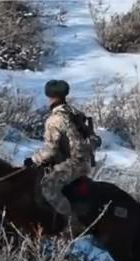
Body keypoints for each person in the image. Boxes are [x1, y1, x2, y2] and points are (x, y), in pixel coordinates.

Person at [24, 80, 96, 222]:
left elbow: (51, 150)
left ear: (49, 96)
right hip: (85, 160)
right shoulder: (73, 112)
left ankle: (69, 223)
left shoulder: (55, 119)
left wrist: (33, 160)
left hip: (74, 163)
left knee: (47, 186)